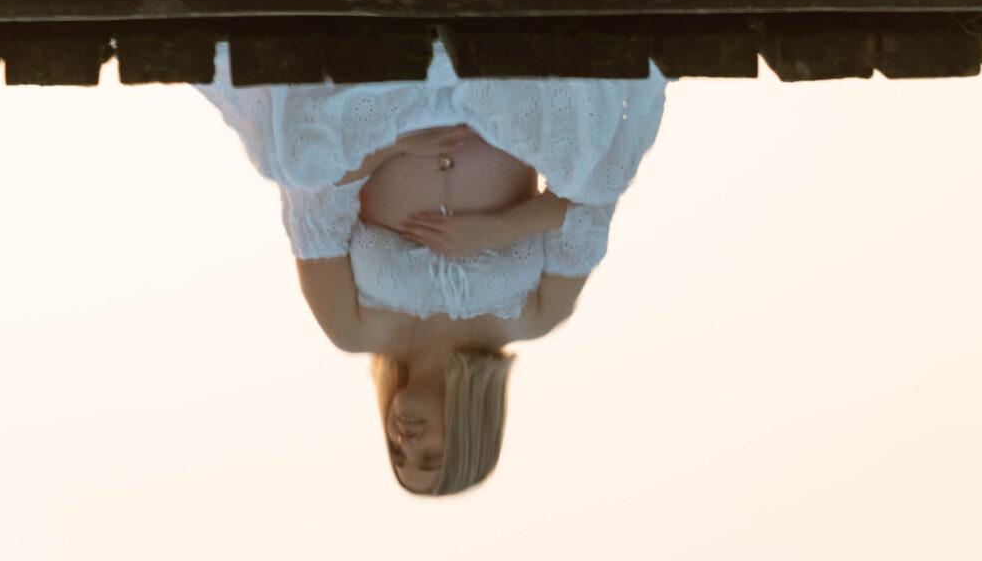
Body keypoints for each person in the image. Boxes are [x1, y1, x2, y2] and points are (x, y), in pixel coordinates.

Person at [191, 37, 674, 495]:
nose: (404, 441)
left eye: (396, 455)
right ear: (469, 436)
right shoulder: (538, 316)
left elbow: (315, 203)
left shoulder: (350, 328)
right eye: (428, 457)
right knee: (595, 175)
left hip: (386, 113)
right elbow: (589, 214)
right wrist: (495, 230)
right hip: (505, 104)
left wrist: (395, 147)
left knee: (296, 165)